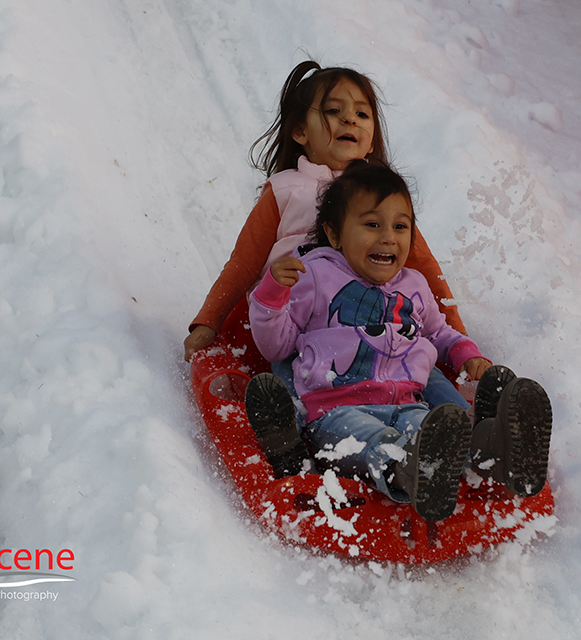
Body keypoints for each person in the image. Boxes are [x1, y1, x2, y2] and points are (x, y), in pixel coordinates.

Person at [246, 162, 552, 522]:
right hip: (336, 410)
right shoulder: (314, 275)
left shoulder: (414, 285)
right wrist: (271, 295)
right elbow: (277, 347)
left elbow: (437, 333)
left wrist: (466, 354)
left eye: (400, 226)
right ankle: (409, 473)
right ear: (334, 233)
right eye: (372, 224)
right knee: (372, 442)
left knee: (434, 436)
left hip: (408, 405)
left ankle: (495, 452)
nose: (389, 237)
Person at [183, 61, 471, 415]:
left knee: (418, 365)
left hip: (372, 319)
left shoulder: (382, 198)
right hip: (299, 328)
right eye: (335, 111)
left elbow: (422, 265)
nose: (350, 119)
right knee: (300, 379)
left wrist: (460, 336)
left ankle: (473, 427)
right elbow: (244, 263)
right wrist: (209, 320)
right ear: (301, 132)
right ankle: (295, 428)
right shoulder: (286, 190)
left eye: (362, 114)